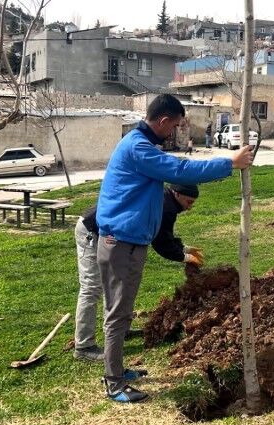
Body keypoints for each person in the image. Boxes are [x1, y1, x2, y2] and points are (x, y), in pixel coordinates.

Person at [96, 94, 253, 402]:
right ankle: (113, 382)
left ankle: (116, 369)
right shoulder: (138, 148)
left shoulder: (141, 146)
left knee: (121, 310)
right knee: (117, 313)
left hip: (130, 242)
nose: (175, 132)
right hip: (121, 244)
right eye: (176, 126)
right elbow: (180, 171)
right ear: (163, 120)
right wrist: (229, 163)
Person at [71, 185, 204, 363]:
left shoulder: (166, 201)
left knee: (117, 283)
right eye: (189, 202)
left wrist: (183, 248)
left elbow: (160, 233)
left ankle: (119, 331)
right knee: (91, 288)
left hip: (113, 236)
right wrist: (184, 256)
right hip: (93, 230)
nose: (189, 207)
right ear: (177, 194)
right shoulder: (166, 205)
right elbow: (161, 243)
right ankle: (84, 346)